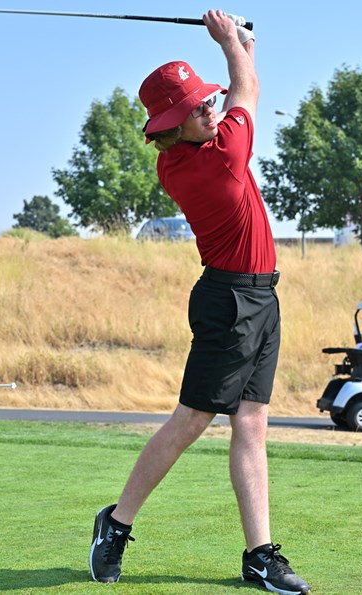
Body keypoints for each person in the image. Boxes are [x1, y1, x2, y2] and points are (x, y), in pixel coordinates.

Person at [89, 10, 310, 595]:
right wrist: (229, 41)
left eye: (207, 100)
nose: (208, 108)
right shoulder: (212, 163)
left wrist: (246, 44)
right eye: (194, 108)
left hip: (261, 296)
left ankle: (259, 556)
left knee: (253, 424)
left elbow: (242, 82)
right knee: (191, 420)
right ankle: (115, 524)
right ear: (171, 126)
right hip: (230, 301)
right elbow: (248, 87)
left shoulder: (205, 144)